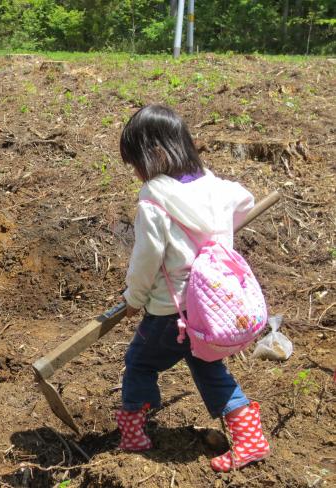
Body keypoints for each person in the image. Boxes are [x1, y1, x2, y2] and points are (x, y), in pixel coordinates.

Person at [116, 104, 270, 472]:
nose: (137, 173)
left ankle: (134, 435)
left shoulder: (154, 196)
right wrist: (218, 231)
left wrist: (134, 298)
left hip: (175, 311)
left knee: (139, 363)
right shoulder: (213, 185)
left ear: (154, 155)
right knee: (209, 368)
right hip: (214, 309)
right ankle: (251, 439)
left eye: (136, 163)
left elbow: (147, 258)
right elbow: (245, 200)